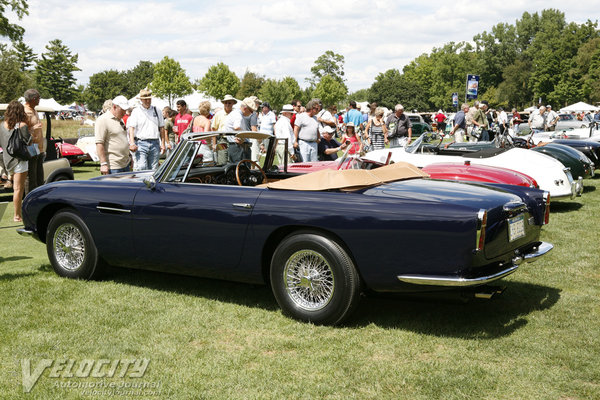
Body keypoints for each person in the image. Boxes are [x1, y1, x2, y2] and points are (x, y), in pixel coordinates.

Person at [0, 101, 30, 222]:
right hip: (19, 160)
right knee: (18, 189)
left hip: (7, 160)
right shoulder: (22, 125)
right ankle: (17, 215)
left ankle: (18, 213)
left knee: (15, 188)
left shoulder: (1, 125)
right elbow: (28, 141)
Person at [127, 89, 165, 171]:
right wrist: (132, 143)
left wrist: (163, 143)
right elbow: (131, 128)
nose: (148, 101)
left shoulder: (157, 110)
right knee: (141, 167)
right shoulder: (136, 111)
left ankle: (151, 184)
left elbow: (162, 127)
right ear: (141, 100)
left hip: (155, 142)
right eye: (145, 99)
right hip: (141, 142)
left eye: (149, 99)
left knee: (154, 168)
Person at [95, 95, 132, 175]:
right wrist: (103, 164)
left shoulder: (120, 120)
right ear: (114, 107)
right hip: (113, 167)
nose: (124, 113)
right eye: (122, 110)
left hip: (125, 164)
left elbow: (123, 139)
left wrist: (129, 156)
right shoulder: (102, 120)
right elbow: (99, 143)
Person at [23, 89, 44, 193]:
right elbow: (21, 131)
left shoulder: (34, 110)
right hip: (31, 147)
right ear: (33, 99)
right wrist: (32, 129)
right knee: (31, 177)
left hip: (38, 148)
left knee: (39, 177)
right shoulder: (25, 111)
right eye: (38, 98)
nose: (39, 100)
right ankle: (29, 201)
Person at [225, 97, 256, 162]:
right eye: (251, 111)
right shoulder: (238, 116)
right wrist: (242, 138)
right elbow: (236, 127)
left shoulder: (235, 113)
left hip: (235, 146)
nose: (251, 114)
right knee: (241, 169)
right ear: (245, 108)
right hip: (237, 147)